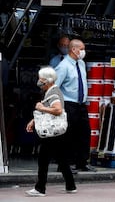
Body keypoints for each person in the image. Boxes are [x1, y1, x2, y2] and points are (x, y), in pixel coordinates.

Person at [25, 66, 76, 196]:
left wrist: (41, 108)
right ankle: (70, 185)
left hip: (52, 133)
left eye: (41, 79)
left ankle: (40, 188)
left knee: (43, 160)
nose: (39, 82)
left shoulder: (53, 93)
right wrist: (34, 120)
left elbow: (57, 110)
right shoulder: (51, 91)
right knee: (61, 159)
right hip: (57, 132)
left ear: (47, 80)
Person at [55, 39, 95, 172]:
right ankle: (65, 164)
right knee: (68, 135)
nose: (84, 52)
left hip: (81, 104)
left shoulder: (81, 63)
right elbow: (55, 86)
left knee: (84, 133)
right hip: (68, 104)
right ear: (74, 49)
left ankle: (81, 162)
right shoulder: (63, 66)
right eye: (82, 49)